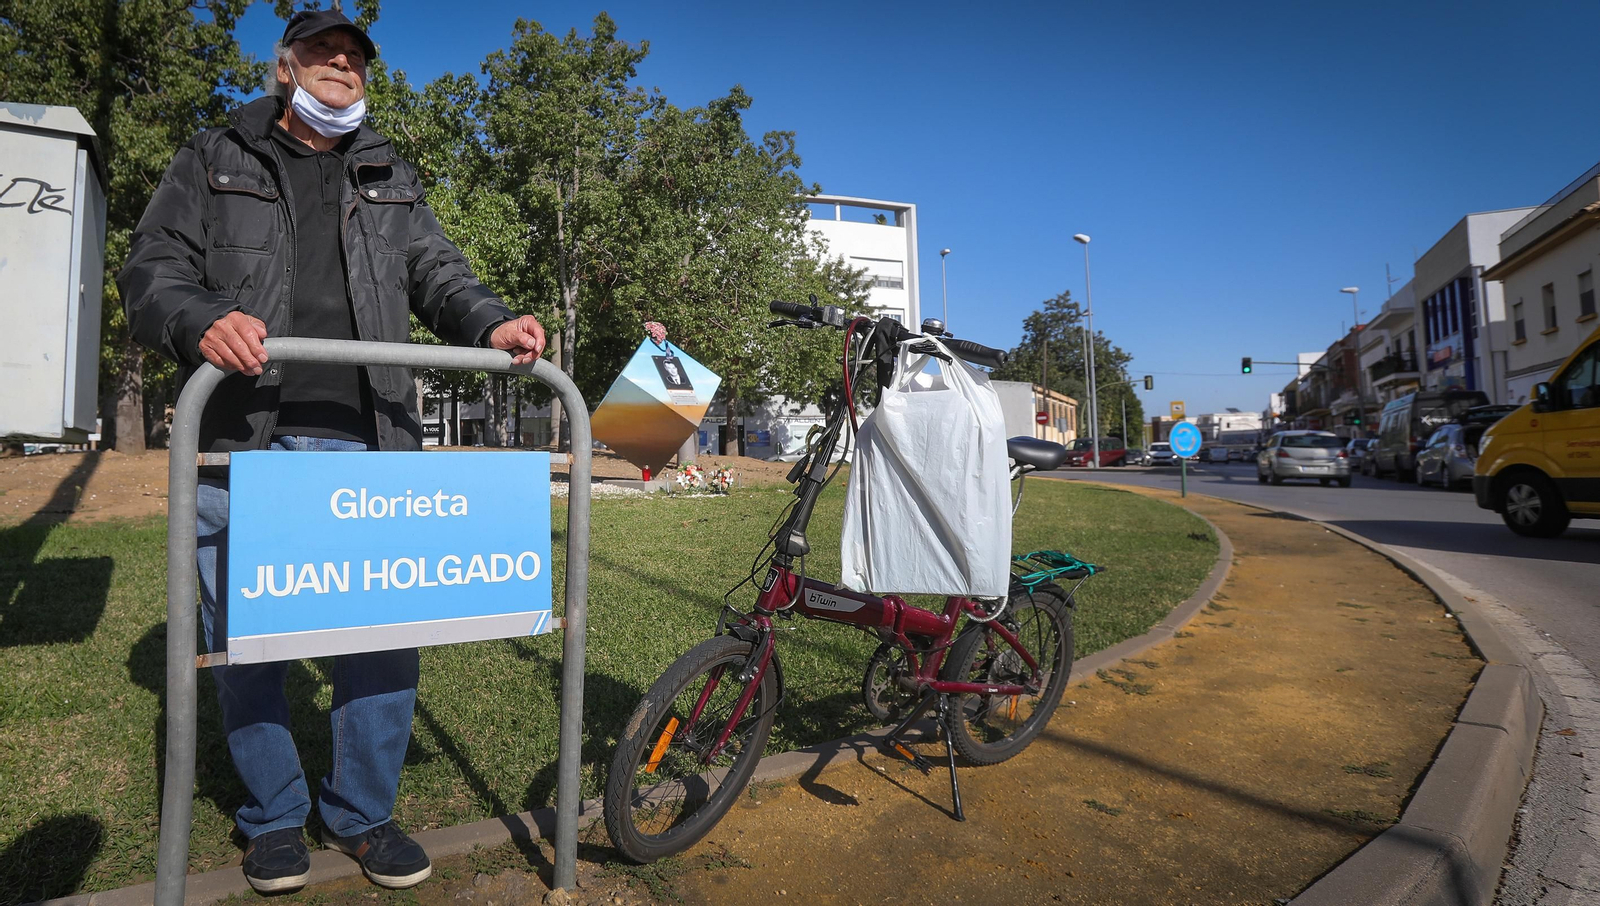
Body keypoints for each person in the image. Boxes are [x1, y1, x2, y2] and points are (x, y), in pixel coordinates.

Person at [118, 10, 546, 895]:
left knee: (384, 643)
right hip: (247, 440)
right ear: (285, 68)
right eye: (323, 52)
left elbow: (438, 271)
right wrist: (202, 322)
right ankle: (274, 820)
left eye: (354, 57)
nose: (342, 64)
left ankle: (363, 815)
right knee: (249, 645)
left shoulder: (388, 170)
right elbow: (153, 264)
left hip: (371, 445)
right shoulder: (214, 155)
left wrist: (490, 319)